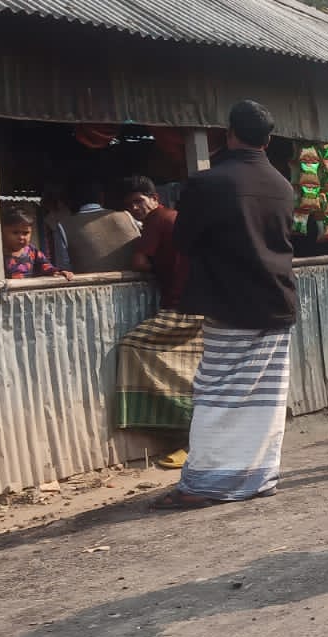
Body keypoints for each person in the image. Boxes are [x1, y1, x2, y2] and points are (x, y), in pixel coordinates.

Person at [149, 99, 298, 510]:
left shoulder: (206, 184)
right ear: (268, 141)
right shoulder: (284, 187)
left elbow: (183, 241)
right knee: (264, 399)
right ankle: (258, 476)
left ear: (230, 133)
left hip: (229, 306)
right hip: (276, 304)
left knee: (216, 393)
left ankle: (203, 484)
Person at [116, 176, 201, 470]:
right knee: (193, 373)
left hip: (180, 309)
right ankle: (192, 436)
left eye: (139, 201)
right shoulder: (179, 219)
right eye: (129, 205)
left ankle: (180, 433)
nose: (135, 208)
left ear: (155, 198)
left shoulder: (158, 219)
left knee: (131, 346)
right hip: (203, 306)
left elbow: (139, 262)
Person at [58, 179, 140, 273]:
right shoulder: (127, 216)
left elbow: (64, 267)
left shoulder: (64, 226)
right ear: (102, 197)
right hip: (136, 282)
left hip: (89, 285)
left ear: (70, 201)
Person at [1, 206, 73, 280]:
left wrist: (57, 272)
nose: (21, 237)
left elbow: (45, 266)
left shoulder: (32, 251)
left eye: (26, 233)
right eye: (15, 232)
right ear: (2, 232)